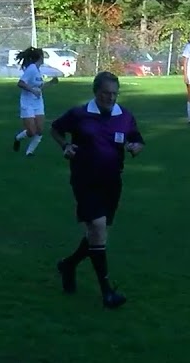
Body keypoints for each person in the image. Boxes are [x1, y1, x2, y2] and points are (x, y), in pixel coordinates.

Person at [50, 72, 145, 309]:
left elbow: (137, 139)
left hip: (112, 181)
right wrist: (66, 146)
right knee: (97, 226)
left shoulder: (124, 116)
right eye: (106, 94)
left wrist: (135, 146)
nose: (110, 98)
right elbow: (55, 129)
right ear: (96, 92)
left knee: (97, 234)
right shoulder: (79, 114)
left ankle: (68, 265)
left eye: (114, 94)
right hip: (84, 179)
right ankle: (107, 292)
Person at [12, 46, 59, 156]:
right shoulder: (32, 68)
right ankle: (18, 138)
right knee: (32, 131)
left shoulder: (38, 70)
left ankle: (29, 152)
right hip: (27, 103)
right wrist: (32, 91)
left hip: (38, 103)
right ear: (40, 57)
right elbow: (21, 83)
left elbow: (39, 87)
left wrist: (51, 83)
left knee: (40, 130)